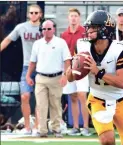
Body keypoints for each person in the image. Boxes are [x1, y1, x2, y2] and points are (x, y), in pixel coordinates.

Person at [66, 10, 123, 145]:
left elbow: (122, 83)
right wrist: (74, 69)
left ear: (105, 29)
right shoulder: (82, 45)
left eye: (94, 28)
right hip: (98, 100)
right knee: (106, 140)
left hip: (120, 100)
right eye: (89, 27)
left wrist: (97, 72)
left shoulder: (122, 49)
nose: (89, 31)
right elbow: (69, 77)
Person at [0, 4, 43, 135]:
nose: (34, 15)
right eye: (31, 13)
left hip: (43, 67)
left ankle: (37, 127)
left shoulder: (45, 27)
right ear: (28, 14)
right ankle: (27, 127)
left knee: (40, 98)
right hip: (27, 66)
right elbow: (7, 40)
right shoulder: (21, 27)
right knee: (24, 96)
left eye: (36, 13)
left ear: (40, 14)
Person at [26, 20, 71, 137]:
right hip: (40, 77)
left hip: (56, 77)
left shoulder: (61, 43)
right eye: (44, 29)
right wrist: (27, 75)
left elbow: (67, 61)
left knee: (55, 104)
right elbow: (32, 62)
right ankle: (42, 130)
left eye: (49, 29)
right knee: (41, 104)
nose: (46, 31)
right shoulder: (37, 44)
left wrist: (65, 75)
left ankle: (56, 129)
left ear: (54, 29)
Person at [61, 8, 91, 136]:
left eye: (75, 16)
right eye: (71, 16)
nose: (73, 18)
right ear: (68, 18)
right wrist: (65, 71)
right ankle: (75, 126)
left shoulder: (85, 33)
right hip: (69, 69)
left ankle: (85, 126)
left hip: (82, 68)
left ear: (79, 18)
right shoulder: (64, 35)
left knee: (82, 96)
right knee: (72, 97)